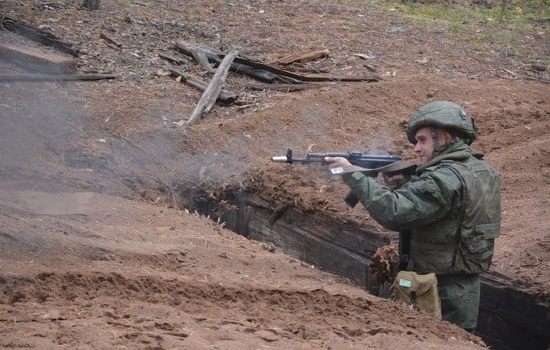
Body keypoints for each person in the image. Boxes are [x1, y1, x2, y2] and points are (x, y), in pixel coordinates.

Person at [324, 101, 501, 332]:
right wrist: (408, 184)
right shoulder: (482, 170)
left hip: (436, 292)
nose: (416, 149)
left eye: (423, 140)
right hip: (462, 289)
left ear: (445, 138)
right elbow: (448, 211)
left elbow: (395, 212)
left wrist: (354, 175)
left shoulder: (443, 178)